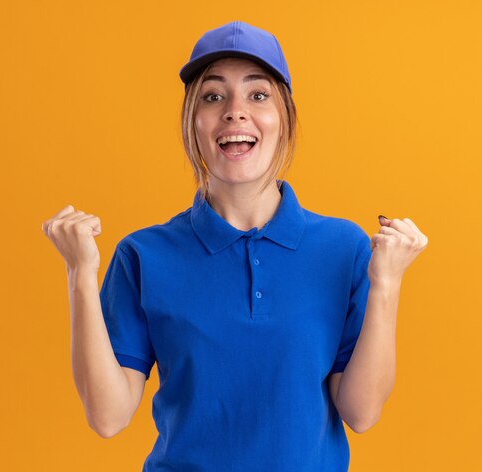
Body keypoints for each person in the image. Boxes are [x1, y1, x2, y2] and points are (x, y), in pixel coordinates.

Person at [41, 21, 428, 472]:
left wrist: (387, 285)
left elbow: (361, 413)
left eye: (258, 95)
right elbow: (107, 418)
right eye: (213, 96)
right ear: (193, 122)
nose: (235, 112)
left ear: (284, 118)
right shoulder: (144, 255)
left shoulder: (345, 249)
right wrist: (79, 275)